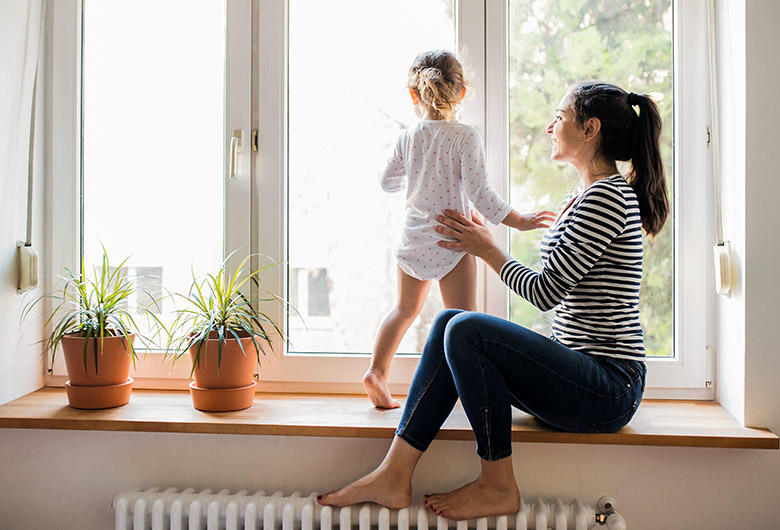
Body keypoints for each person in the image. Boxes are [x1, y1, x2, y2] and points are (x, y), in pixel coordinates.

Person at [320, 81, 669, 520]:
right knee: (450, 321)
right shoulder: (581, 197)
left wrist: (487, 248)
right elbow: (560, 279)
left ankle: (497, 484)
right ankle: (394, 473)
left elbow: (545, 291)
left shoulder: (606, 198)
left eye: (559, 117)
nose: (549, 126)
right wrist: (486, 240)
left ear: (590, 129)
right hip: (581, 374)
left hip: (609, 386)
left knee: (466, 328)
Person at [364, 49, 554, 409]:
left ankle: (377, 372)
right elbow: (482, 196)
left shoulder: (409, 137)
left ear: (413, 94)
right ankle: (466, 392)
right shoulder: (466, 137)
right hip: (454, 238)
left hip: (414, 238)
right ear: (462, 92)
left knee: (404, 310)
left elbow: (387, 182)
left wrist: (415, 172)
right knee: (465, 322)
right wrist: (522, 221)